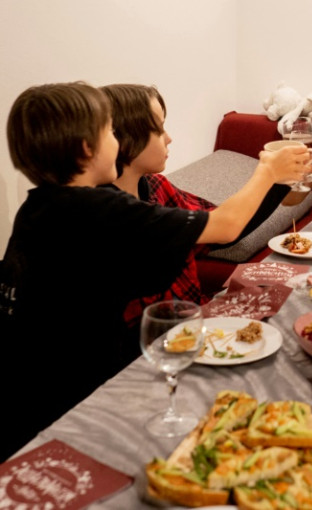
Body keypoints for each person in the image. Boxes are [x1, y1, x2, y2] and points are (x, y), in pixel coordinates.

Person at [0, 81, 307, 470]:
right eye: (108, 132)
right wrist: (267, 171)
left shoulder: (40, 208)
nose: (115, 140)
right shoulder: (97, 209)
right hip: (70, 402)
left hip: (21, 391)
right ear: (88, 147)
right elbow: (223, 226)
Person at [100, 84, 215, 340]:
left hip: (191, 327)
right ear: (126, 137)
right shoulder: (105, 212)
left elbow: (218, 227)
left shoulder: (155, 185)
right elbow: (226, 225)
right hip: (147, 347)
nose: (169, 137)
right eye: (159, 127)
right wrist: (269, 174)